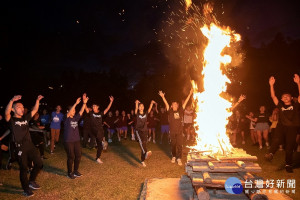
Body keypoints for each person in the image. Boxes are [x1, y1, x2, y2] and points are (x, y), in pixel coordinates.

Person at [5, 95, 44, 197]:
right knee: (23, 168)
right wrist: (11, 100)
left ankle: (31, 181)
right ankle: (26, 189)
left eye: (23, 107)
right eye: (19, 107)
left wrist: (37, 100)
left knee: (39, 163)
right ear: (13, 109)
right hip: (20, 148)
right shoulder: (11, 120)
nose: (22, 109)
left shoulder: (25, 118)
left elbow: (35, 110)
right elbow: (6, 113)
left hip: (30, 145)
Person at [265, 74, 300, 173]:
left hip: (292, 128)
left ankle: (288, 164)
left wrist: (298, 83)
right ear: (281, 99)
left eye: (287, 96)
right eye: (283, 96)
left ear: (291, 98)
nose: (285, 97)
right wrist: (271, 85)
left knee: (289, 147)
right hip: (281, 126)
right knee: (276, 139)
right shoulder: (280, 106)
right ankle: (270, 153)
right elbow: (273, 96)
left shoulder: (296, 105)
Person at [158, 89, 193, 166]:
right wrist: (163, 97)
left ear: (177, 105)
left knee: (180, 145)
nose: (175, 105)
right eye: (173, 104)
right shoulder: (170, 111)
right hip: (172, 132)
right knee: (173, 145)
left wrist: (189, 95)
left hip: (179, 132)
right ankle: (173, 156)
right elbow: (166, 104)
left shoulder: (180, 111)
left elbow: (185, 103)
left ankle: (179, 158)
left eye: (176, 104)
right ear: (171, 106)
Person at [64, 94, 88, 179]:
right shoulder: (66, 118)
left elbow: (81, 112)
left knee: (78, 155)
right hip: (69, 140)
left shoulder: (75, 118)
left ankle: (75, 171)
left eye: (74, 110)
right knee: (71, 156)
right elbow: (69, 112)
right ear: (69, 111)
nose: (74, 111)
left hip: (76, 140)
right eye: (73, 110)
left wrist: (84, 103)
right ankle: (69, 172)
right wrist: (75, 104)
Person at [85, 96, 114, 164]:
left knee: (99, 145)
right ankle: (98, 142)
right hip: (93, 130)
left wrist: (111, 102)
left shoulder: (100, 114)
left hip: (99, 131)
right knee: (97, 142)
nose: (93, 107)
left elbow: (107, 109)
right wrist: (84, 102)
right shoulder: (91, 113)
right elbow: (86, 109)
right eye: (93, 106)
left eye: (95, 106)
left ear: (98, 107)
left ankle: (98, 157)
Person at [134, 100, 155, 167]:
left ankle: (142, 160)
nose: (141, 107)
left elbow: (149, 109)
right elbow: (136, 109)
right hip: (138, 131)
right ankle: (145, 153)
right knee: (141, 144)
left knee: (144, 144)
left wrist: (151, 103)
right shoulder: (137, 113)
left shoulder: (146, 113)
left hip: (145, 131)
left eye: (142, 106)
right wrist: (137, 103)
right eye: (140, 106)